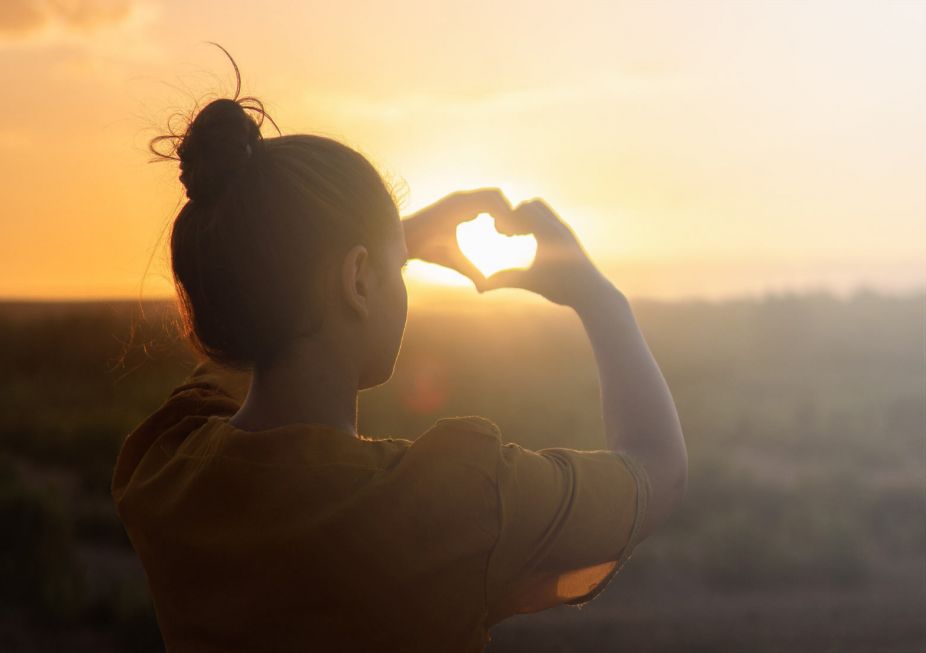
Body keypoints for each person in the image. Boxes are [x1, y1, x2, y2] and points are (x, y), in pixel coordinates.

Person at [111, 54, 687, 653]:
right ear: (358, 280)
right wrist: (599, 296)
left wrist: (382, 243)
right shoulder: (452, 505)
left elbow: (254, 324)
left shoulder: (165, 468)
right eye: (396, 268)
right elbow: (659, 473)